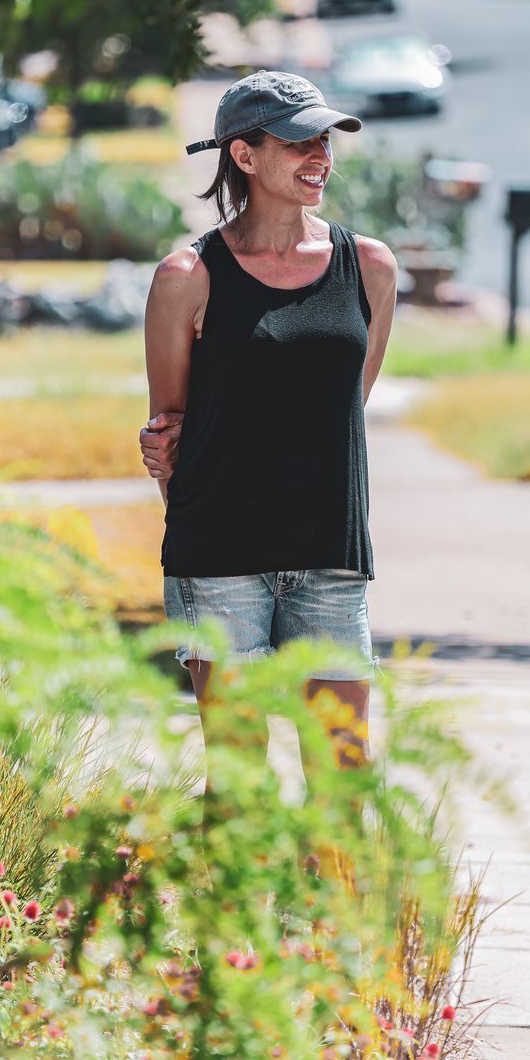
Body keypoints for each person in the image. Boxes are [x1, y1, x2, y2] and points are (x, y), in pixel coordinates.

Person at [138, 70, 399, 779]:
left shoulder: (369, 267)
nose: (320, 155)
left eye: (324, 138)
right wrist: (167, 460)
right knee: (240, 789)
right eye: (297, 141)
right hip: (221, 560)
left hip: (332, 555)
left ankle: (329, 900)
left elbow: (346, 402)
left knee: (342, 780)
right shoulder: (186, 277)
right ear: (244, 156)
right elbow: (174, 429)